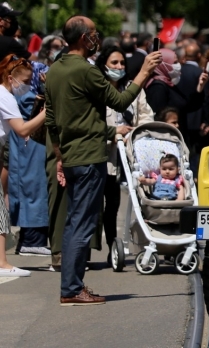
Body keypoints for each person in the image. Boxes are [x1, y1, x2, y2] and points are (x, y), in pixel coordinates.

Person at [45, 16, 161, 305]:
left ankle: (72, 286)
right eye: (94, 34)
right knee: (81, 224)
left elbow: (51, 117)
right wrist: (144, 71)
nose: (97, 38)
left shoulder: (56, 69)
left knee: (75, 221)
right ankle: (72, 288)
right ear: (84, 38)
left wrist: (59, 153)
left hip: (72, 155)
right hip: (88, 156)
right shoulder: (86, 71)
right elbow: (120, 102)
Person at [96, 45, 154, 264]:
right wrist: (113, 133)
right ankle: (109, 244)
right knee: (106, 201)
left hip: (130, 150)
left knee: (122, 202)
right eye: (114, 63)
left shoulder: (133, 87)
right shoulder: (98, 88)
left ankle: (129, 243)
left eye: (122, 63)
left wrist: (138, 133)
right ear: (104, 65)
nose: (119, 67)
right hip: (105, 151)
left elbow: (146, 114)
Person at [0, 55, 47, 277]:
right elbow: (23, 129)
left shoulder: (2, 93)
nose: (26, 86)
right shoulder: (4, 95)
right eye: (24, 81)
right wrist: (46, 112)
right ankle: (1, 262)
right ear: (10, 78)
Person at [145, 49, 208, 129]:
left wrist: (200, 87)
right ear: (163, 64)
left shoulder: (169, 83)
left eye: (177, 62)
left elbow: (187, 107)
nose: (178, 65)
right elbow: (159, 118)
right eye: (174, 63)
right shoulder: (158, 87)